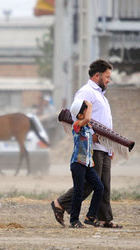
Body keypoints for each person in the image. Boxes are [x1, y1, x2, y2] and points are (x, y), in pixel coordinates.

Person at [50, 59, 123, 228]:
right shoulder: (86, 92)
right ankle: (60, 203)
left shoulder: (100, 95)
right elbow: (77, 116)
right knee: (90, 184)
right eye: (106, 77)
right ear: (97, 75)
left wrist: (110, 146)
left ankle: (104, 218)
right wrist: (91, 136)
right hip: (92, 147)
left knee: (104, 184)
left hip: (104, 146)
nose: (108, 80)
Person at [66, 98, 103, 228]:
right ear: (80, 115)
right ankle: (74, 221)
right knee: (78, 191)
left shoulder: (88, 126)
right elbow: (87, 119)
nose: (89, 113)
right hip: (78, 163)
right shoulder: (76, 125)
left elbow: (93, 138)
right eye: (87, 111)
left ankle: (90, 216)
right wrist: (90, 105)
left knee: (99, 187)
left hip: (88, 163)